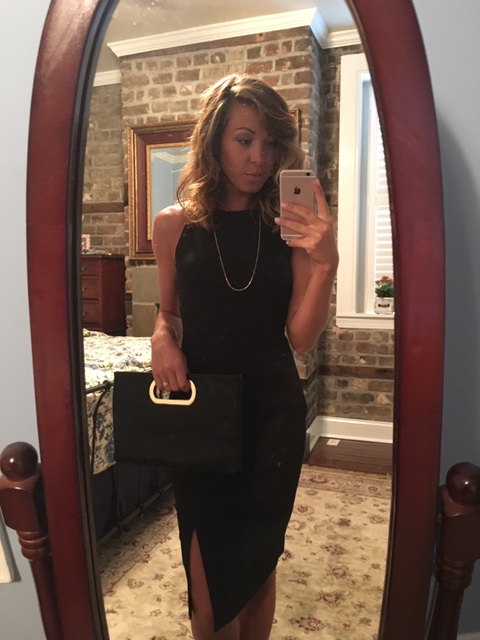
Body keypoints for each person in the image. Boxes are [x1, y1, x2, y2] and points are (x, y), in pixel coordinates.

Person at [150, 73, 338, 640]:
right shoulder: (173, 225)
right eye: (244, 140)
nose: (259, 158)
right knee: (208, 582)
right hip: (200, 416)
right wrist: (161, 338)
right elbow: (168, 312)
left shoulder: (288, 226)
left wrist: (325, 263)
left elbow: (300, 337)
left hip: (271, 417)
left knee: (257, 565)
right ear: (214, 141)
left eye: (271, 143)